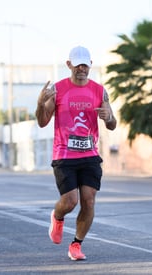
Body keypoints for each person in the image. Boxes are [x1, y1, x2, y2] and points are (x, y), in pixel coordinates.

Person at [35, 46, 117, 261]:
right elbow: (43, 122)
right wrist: (39, 102)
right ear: (69, 65)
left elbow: (112, 125)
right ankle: (58, 216)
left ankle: (76, 245)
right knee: (70, 201)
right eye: (77, 64)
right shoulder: (58, 90)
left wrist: (108, 117)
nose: (82, 68)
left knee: (88, 201)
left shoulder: (100, 91)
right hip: (64, 156)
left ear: (90, 65)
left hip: (89, 155)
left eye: (85, 65)